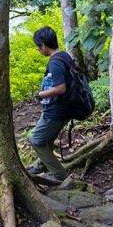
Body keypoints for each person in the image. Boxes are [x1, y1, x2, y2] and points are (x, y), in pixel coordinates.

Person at [26, 26, 74, 183]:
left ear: (43, 45)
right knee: (46, 141)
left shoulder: (55, 63)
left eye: (38, 46)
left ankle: (60, 176)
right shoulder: (64, 56)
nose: (38, 49)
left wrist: (40, 95)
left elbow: (60, 88)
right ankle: (38, 166)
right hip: (65, 109)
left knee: (37, 140)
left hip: (56, 111)